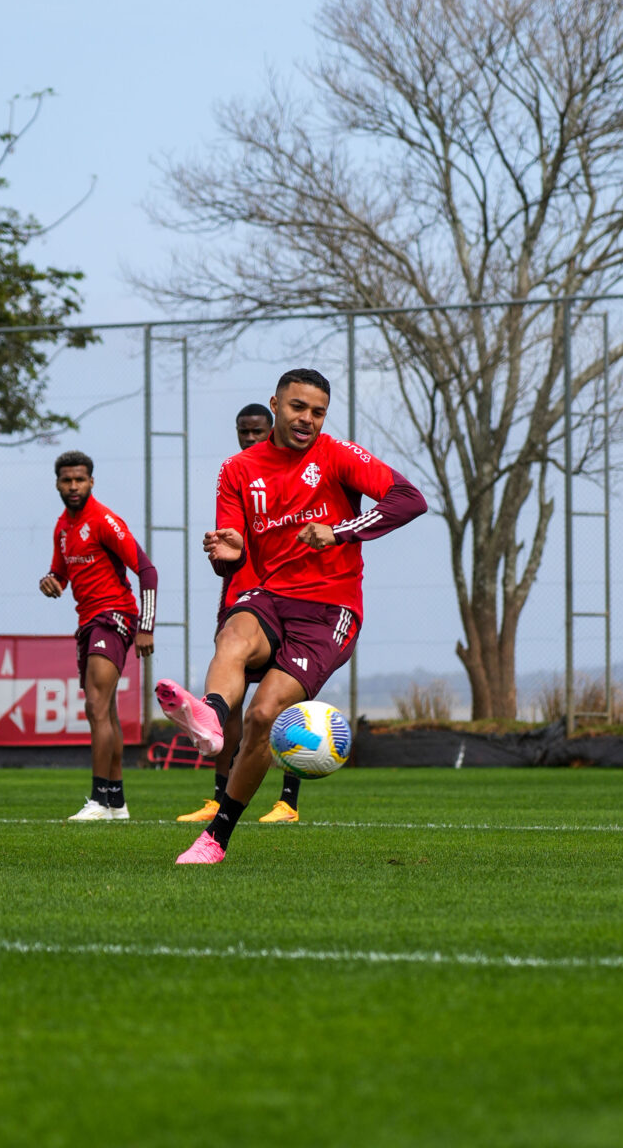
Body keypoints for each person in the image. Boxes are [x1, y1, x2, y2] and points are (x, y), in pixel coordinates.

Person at [157, 368, 426, 866]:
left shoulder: (338, 455)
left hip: (328, 610)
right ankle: (211, 718)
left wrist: (341, 531)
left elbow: (410, 499)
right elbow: (230, 549)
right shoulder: (237, 468)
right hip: (267, 594)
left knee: (264, 715)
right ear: (275, 404)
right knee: (234, 634)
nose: (307, 419)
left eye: (317, 411)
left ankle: (216, 837)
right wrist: (228, 550)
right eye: (297, 407)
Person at [177, 400, 308, 828]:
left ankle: (288, 801)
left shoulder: (289, 473)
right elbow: (227, 552)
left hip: (285, 601)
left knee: (284, 704)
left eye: (256, 431)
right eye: (243, 432)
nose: (249, 439)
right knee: (228, 707)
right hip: (239, 598)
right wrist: (219, 551)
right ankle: (219, 799)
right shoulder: (233, 472)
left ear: (272, 428)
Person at [39, 451, 158, 822]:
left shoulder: (105, 520)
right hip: (88, 621)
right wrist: (51, 582)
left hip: (114, 617)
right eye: (66, 480)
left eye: (79, 480)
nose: (73, 486)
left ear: (91, 482)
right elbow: (61, 575)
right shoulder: (62, 528)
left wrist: (146, 627)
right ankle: (116, 802)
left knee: (95, 706)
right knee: (105, 710)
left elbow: (147, 570)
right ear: (57, 483)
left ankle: (98, 800)